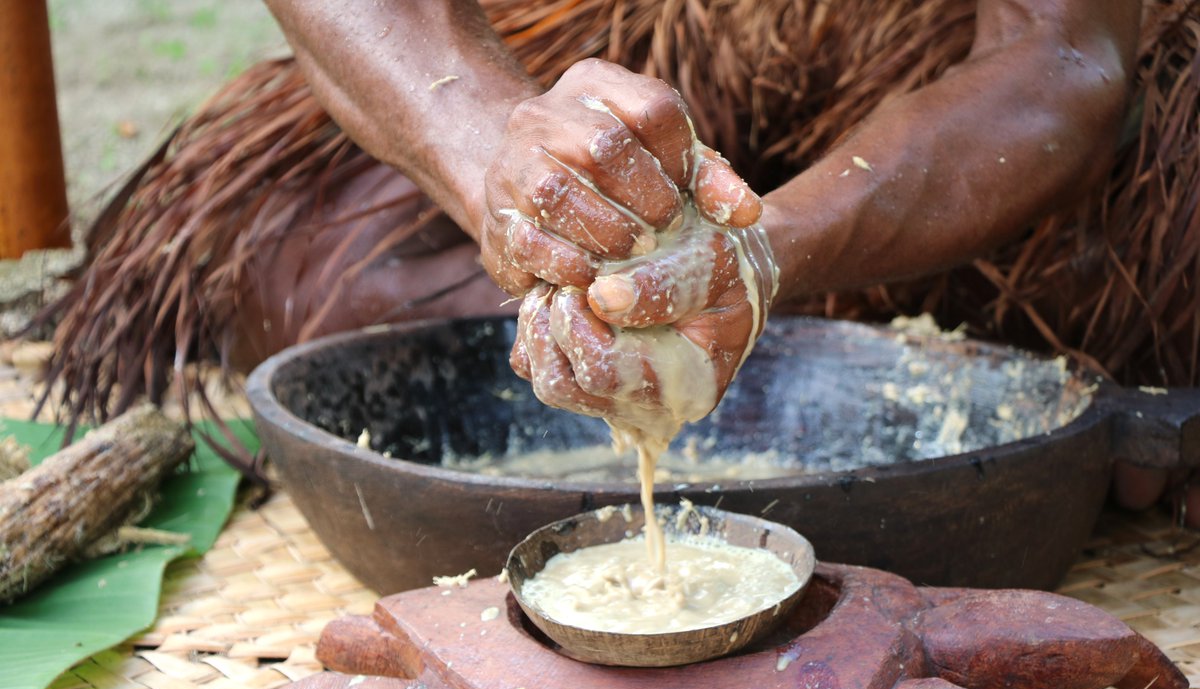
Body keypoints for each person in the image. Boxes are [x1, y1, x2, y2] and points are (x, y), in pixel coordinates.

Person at [41, 0, 1198, 522]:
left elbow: (1062, 55)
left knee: (1139, 272)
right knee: (317, 273)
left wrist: (760, 251)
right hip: (635, 28)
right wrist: (502, 160)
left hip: (937, 58)